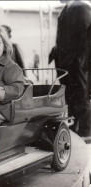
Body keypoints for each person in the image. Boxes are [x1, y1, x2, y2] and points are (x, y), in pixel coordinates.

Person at [48, 0, 91, 137]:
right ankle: (74, 130)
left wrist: (79, 59)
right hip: (64, 62)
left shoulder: (82, 8)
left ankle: (86, 131)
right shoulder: (65, 10)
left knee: (81, 96)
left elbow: (86, 38)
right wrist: (55, 51)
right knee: (69, 97)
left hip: (76, 63)